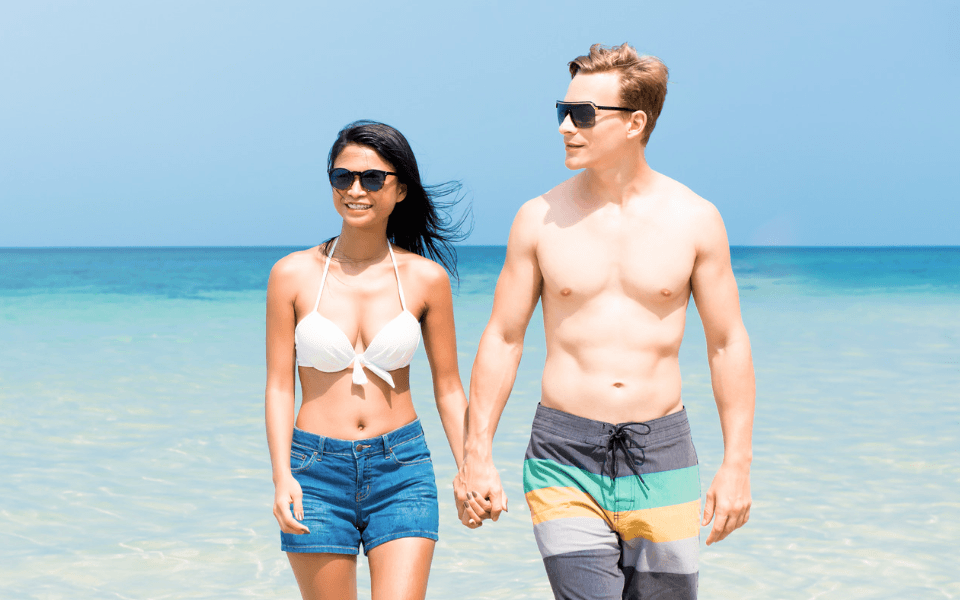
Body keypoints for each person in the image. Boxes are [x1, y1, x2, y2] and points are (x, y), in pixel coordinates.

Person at [455, 43, 756, 600]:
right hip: (563, 453)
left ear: (636, 122)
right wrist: (476, 456)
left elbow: (726, 343)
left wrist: (736, 465)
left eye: (584, 114)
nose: (567, 126)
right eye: (562, 112)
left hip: (663, 452)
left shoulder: (694, 219)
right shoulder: (539, 218)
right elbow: (502, 337)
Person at [265, 120, 469, 600]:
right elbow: (278, 386)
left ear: (399, 190)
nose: (356, 190)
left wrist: (470, 466)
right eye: (343, 177)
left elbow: (449, 387)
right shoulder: (291, 274)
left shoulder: (426, 279)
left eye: (372, 178)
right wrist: (282, 476)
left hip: (402, 467)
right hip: (315, 469)